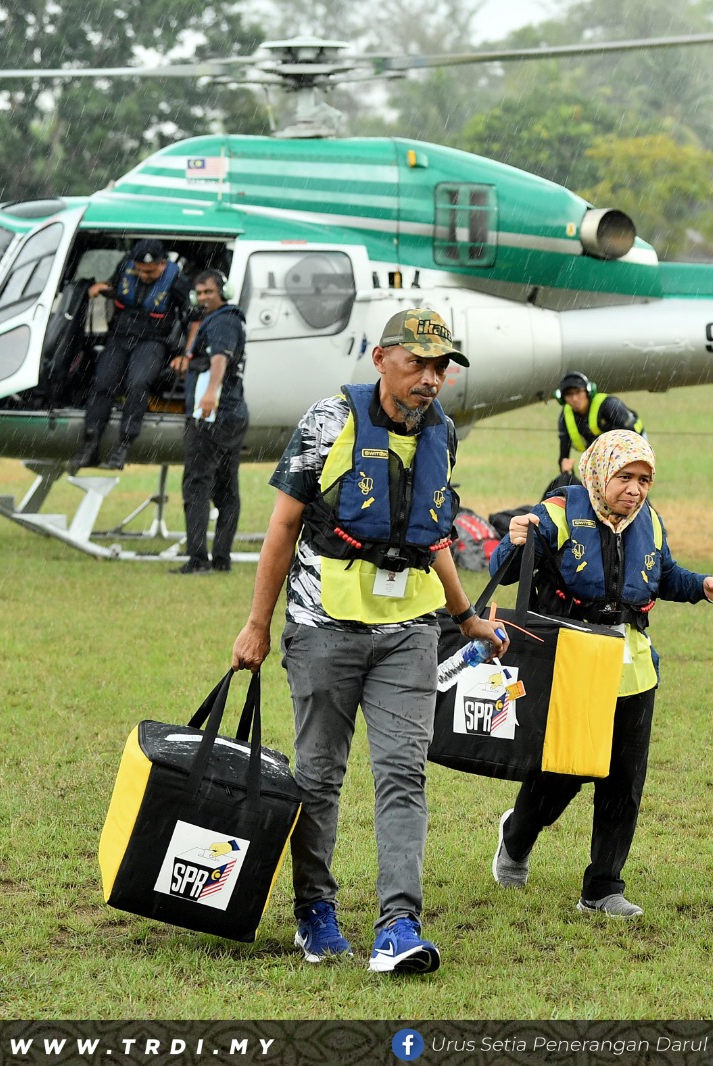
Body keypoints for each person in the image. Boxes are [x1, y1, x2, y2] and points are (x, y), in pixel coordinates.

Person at [230, 307, 508, 974]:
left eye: (440, 367)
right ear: (381, 359)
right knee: (319, 776)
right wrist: (258, 624)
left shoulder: (442, 432)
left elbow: (430, 534)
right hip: (323, 627)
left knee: (403, 773)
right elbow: (282, 527)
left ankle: (398, 926)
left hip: (409, 632)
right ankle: (314, 911)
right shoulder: (329, 421)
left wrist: (465, 616)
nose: (430, 379)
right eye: (417, 364)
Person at [488, 430, 713, 918]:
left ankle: (602, 888)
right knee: (563, 773)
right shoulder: (560, 510)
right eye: (625, 477)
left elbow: (664, 575)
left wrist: (702, 585)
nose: (635, 490)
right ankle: (516, 837)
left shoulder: (650, 521)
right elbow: (507, 567)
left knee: (624, 780)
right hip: (570, 665)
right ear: (600, 473)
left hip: (634, 671)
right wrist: (513, 540)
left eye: (644, 480)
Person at [70, 239, 192, 471]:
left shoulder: (177, 281)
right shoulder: (125, 268)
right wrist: (102, 288)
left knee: (138, 383)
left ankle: (123, 444)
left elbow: (195, 318)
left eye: (150, 271)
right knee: (103, 383)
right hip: (120, 336)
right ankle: (91, 443)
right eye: (140, 270)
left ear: (162, 264)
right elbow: (117, 289)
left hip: (152, 340)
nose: (144, 276)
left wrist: (187, 353)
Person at [174, 269, 249, 575]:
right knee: (226, 488)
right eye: (200, 293)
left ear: (223, 293)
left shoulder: (222, 321)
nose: (204, 297)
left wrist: (209, 395)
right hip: (232, 415)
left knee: (197, 485)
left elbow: (220, 359)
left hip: (213, 416)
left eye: (209, 292)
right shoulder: (228, 319)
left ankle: (197, 560)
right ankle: (221, 558)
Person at [555, 371, 644, 475]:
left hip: (632, 443)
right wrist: (566, 471)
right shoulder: (566, 416)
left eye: (578, 392)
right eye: (569, 394)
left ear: (588, 391)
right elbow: (564, 453)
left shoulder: (609, 405)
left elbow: (631, 435)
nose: (574, 398)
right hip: (599, 454)